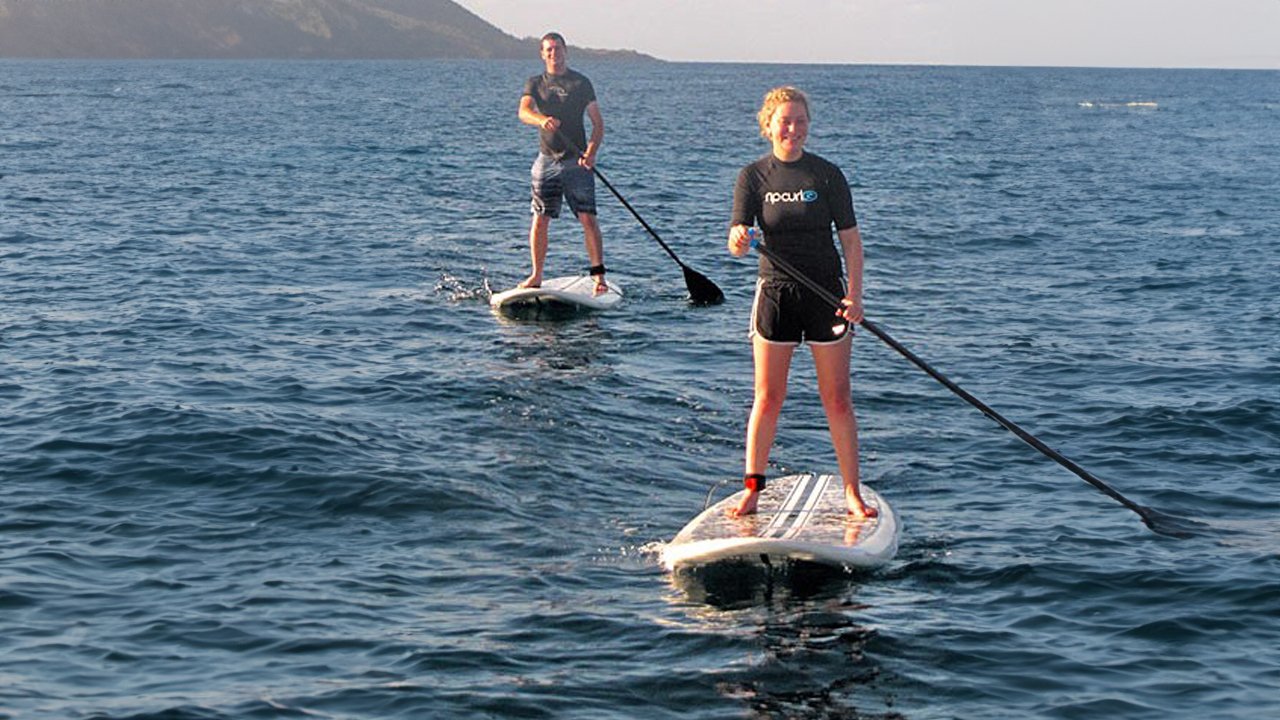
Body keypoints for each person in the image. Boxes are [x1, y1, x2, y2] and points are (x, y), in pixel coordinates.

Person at [726, 86, 878, 520]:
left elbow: (852, 242)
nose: (793, 129)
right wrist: (738, 239)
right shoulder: (753, 177)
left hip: (826, 294)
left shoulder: (827, 175)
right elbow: (736, 240)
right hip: (776, 295)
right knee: (768, 397)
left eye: (800, 121)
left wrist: (855, 295)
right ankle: (752, 489)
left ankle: (852, 493)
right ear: (768, 125)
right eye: (785, 121)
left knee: (838, 399)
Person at [516, 32, 608, 295]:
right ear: (542, 54)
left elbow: (598, 124)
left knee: (587, 218)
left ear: (565, 51)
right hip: (546, 160)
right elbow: (524, 111)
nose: (554, 54)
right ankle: (536, 276)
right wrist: (541, 119)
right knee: (540, 218)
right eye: (549, 50)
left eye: (557, 49)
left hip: (576, 161)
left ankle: (599, 278)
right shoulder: (535, 83)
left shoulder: (581, 83)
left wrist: (591, 152)